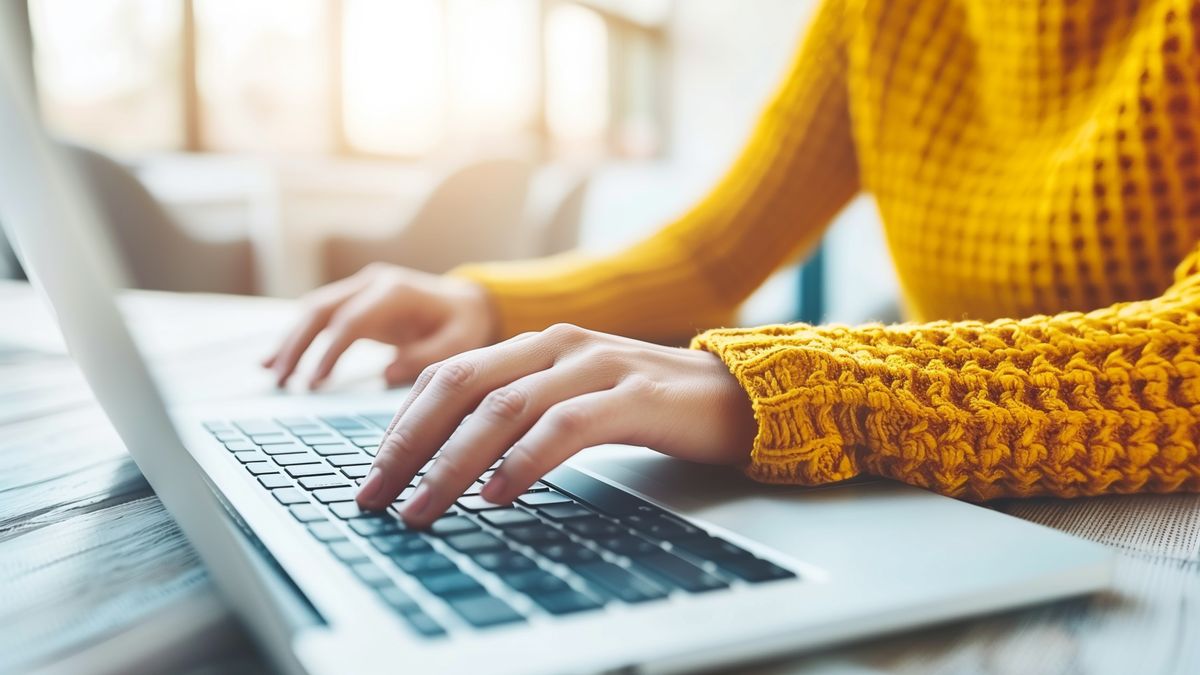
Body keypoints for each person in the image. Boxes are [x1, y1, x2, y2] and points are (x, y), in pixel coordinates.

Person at [265, 0, 1200, 528]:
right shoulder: (885, 17)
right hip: (967, 499)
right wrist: (486, 299)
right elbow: (716, 255)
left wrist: (792, 388)